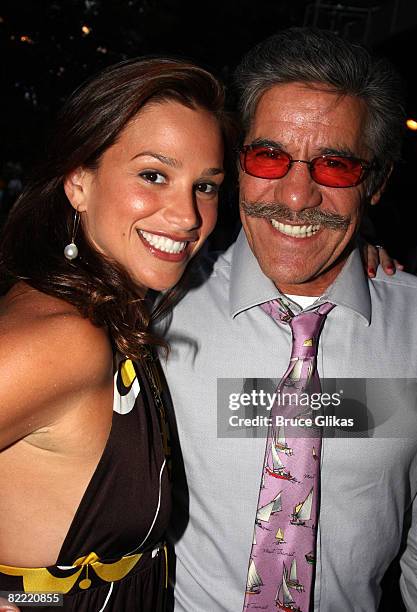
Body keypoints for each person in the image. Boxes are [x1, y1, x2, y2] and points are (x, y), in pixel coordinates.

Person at [161, 28, 417, 612]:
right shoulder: (162, 305)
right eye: (269, 156)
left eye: (336, 166)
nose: (296, 196)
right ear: (238, 167)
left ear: (375, 183)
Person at [0, 57, 231, 611]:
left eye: (205, 186)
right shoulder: (63, 340)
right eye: (154, 175)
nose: (187, 216)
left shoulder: (113, 311)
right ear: (79, 181)